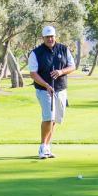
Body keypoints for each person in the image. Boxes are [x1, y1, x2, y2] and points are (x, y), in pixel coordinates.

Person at [27, 25, 75, 158]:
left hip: (60, 89)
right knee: (48, 117)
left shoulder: (63, 49)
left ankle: (47, 147)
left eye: (52, 36)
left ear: (55, 36)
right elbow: (33, 74)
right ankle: (42, 147)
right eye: (47, 37)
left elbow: (72, 66)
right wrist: (46, 85)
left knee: (55, 120)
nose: (50, 39)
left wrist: (61, 71)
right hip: (44, 90)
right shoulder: (36, 53)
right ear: (43, 38)